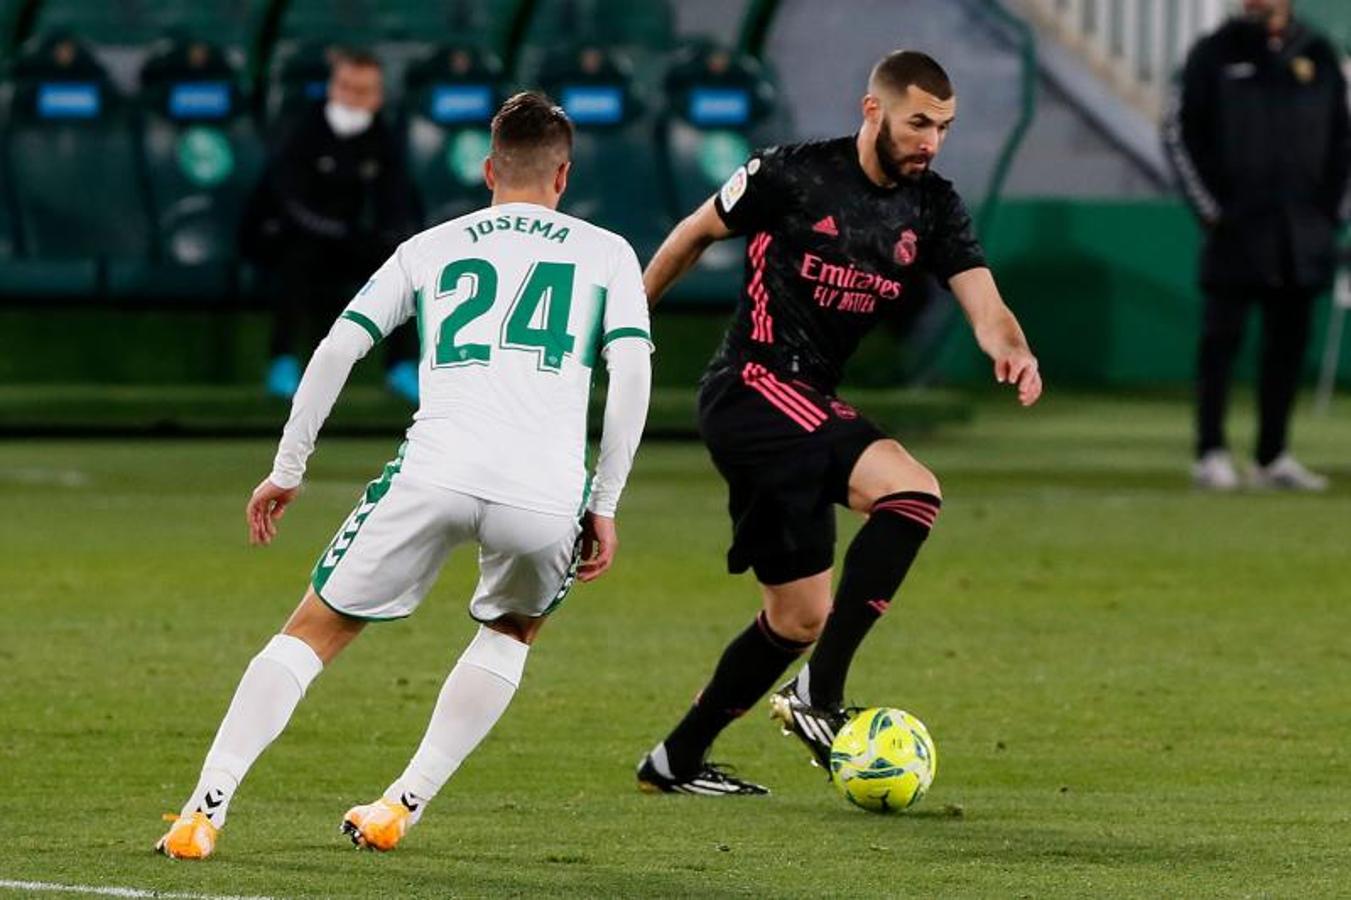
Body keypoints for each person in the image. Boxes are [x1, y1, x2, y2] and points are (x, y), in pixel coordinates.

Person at [157, 92, 653, 857]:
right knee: (514, 627)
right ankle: (400, 805)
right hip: (544, 490)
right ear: (563, 176)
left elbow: (336, 347)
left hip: (433, 472)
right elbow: (630, 376)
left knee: (313, 632)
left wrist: (288, 468)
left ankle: (203, 811)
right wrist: (605, 501)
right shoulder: (608, 252)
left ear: (489, 169)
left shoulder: (431, 244)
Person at [634, 50, 1041, 795]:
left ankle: (674, 760)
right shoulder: (788, 173)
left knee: (797, 617)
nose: (931, 141)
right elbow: (694, 232)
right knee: (911, 493)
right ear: (872, 110)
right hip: (750, 385)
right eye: (919, 123)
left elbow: (984, 303)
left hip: (803, 402)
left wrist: (1010, 347)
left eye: (944, 127)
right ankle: (818, 695)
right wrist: (632, 320)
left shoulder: (932, 206)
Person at [1164, 0, 1349, 491]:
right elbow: (1178, 133)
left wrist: (1331, 215)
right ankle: (1211, 452)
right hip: (1236, 232)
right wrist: (1212, 212)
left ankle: (1273, 456)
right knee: (1220, 344)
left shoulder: (1319, 53)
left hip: (1303, 235)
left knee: (1287, 349)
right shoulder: (1213, 53)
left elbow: (1343, 140)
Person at [243, 47, 423, 403]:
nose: (352, 99)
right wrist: (338, 232)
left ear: (377, 97)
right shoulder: (301, 130)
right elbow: (287, 200)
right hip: (296, 240)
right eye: (346, 88)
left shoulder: (383, 139)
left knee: (402, 265)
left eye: (363, 91)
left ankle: (400, 368)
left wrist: (390, 234)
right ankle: (282, 363)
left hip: (356, 242)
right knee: (296, 261)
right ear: (332, 87)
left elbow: (399, 198)